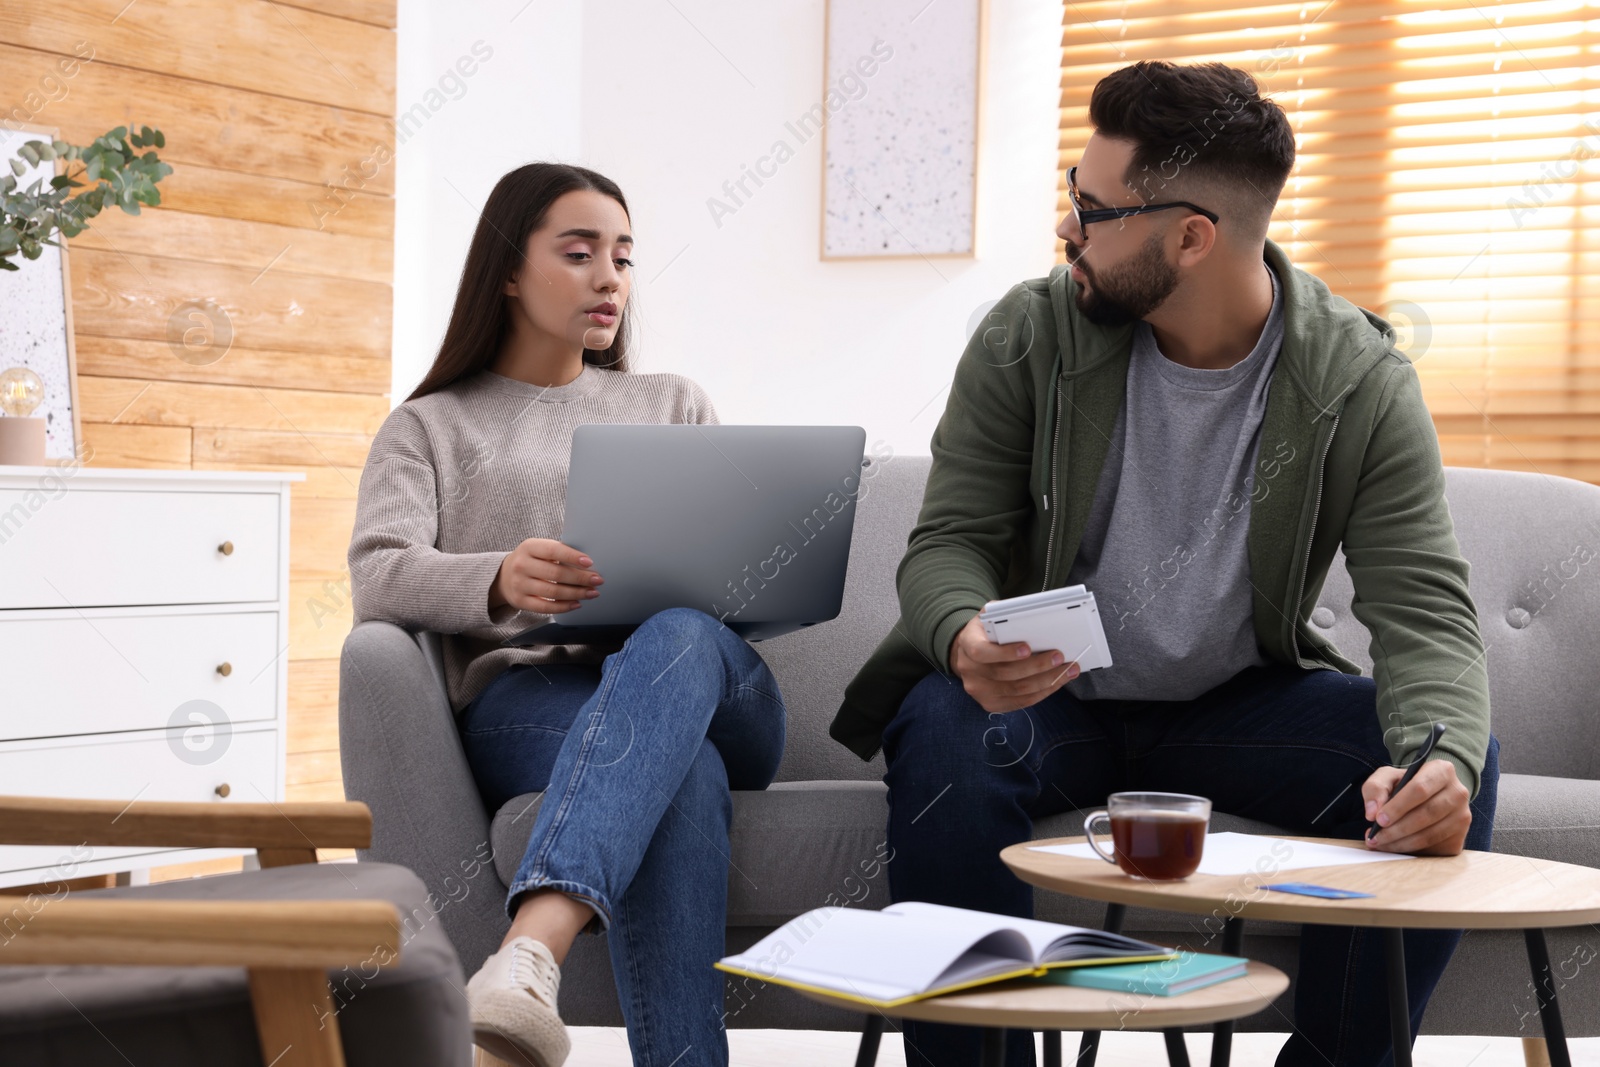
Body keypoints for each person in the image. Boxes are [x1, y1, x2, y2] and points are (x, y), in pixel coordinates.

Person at [829, 60, 1498, 1067]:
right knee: (946, 735)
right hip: (1047, 701)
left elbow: (1424, 611)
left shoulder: (1357, 377)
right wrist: (963, 630)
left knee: (1440, 762)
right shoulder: (1029, 333)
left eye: (1092, 210)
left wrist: (1436, 764)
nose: (1067, 229)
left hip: (1239, 709)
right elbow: (949, 541)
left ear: (1190, 237)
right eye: (1071, 191)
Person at [347, 163, 785, 1067]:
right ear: (507, 271)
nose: (609, 279)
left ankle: (529, 954)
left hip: (711, 681)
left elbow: (732, 577)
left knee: (678, 635)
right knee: (680, 773)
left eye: (622, 257)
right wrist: (500, 578)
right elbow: (379, 575)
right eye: (579, 253)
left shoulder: (671, 401)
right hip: (533, 697)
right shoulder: (430, 426)